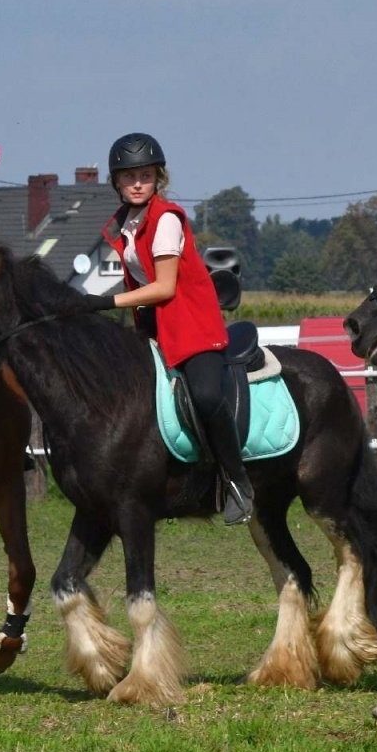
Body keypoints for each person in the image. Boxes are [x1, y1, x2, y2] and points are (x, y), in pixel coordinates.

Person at [85, 133, 252, 525]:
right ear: (116, 183)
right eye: (129, 177)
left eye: (145, 174)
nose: (138, 183)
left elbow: (163, 287)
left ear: (158, 177)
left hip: (193, 326)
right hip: (153, 326)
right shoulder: (126, 224)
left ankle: (237, 483)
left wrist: (104, 303)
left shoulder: (166, 220)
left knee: (208, 396)